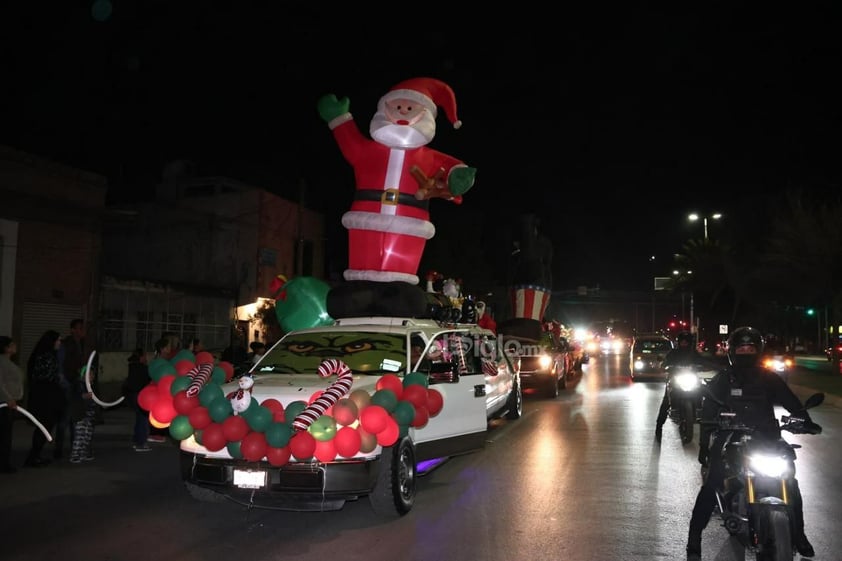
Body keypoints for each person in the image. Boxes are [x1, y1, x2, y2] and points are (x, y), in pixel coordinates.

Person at [317, 77, 476, 284]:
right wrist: (338, 118)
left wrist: (458, 177)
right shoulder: (368, 151)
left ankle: (399, 292)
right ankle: (358, 290)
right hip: (367, 215)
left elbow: (453, 171)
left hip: (410, 219)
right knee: (363, 266)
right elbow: (350, 143)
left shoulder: (429, 157)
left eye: (410, 107)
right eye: (398, 106)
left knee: (401, 272)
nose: (402, 111)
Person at [685, 326, 819, 559]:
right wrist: (706, 443)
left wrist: (805, 420)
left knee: (791, 482)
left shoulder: (769, 378)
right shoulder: (724, 379)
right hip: (730, 438)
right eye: (742, 348)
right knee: (712, 484)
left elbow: (792, 402)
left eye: (751, 348)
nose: (746, 352)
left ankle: (799, 535)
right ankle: (694, 538)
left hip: (767, 438)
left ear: (758, 350)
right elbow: (708, 411)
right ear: (733, 351)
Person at [655, 331, 719, 440]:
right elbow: (665, 362)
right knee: (666, 401)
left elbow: (703, 362)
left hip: (691, 378)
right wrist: (664, 366)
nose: (684, 344)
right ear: (679, 342)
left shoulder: (694, 354)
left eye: (686, 342)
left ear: (690, 343)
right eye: (682, 342)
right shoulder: (673, 353)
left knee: (704, 392)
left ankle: (702, 414)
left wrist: (713, 366)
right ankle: (659, 426)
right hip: (675, 379)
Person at [24, 330, 65, 467]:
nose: (60, 343)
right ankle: (33, 457)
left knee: (44, 426)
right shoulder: (46, 357)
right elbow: (47, 377)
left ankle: (35, 455)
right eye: (58, 340)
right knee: (44, 427)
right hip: (45, 398)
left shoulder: (44, 355)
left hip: (45, 396)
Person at [56, 318, 87, 458]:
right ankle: (59, 449)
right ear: (73, 330)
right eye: (79, 328)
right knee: (65, 418)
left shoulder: (80, 344)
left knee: (75, 417)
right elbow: (60, 365)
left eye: (82, 328)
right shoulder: (66, 344)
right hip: (68, 384)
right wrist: (64, 383)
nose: (82, 331)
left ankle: (74, 447)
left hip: (76, 383)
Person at [0, 336, 25, 473]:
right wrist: (8, 398)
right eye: (12, 344)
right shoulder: (1, 362)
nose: (15, 346)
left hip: (9, 403)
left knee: (6, 433)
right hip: (4, 404)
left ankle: (4, 462)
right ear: (6, 348)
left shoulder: (7, 362)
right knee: (4, 435)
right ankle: (4, 464)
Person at [68, 354, 97, 464]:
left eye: (93, 374)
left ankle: (83, 453)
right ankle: (75, 455)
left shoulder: (92, 386)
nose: (91, 376)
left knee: (87, 434)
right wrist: (83, 396)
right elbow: (75, 396)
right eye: (89, 374)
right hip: (80, 413)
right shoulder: (79, 384)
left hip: (89, 414)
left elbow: (96, 399)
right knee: (80, 434)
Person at [123, 348, 151, 452]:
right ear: (141, 357)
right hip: (140, 396)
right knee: (143, 419)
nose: (146, 358)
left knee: (139, 418)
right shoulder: (142, 368)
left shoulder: (132, 366)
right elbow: (146, 380)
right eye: (145, 356)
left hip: (133, 395)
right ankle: (141, 443)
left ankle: (137, 440)